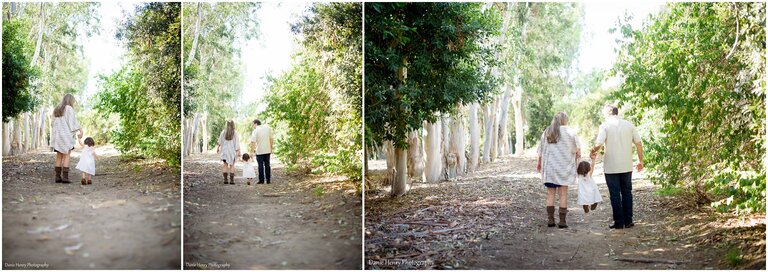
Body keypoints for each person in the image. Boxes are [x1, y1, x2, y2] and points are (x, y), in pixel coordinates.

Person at [591, 105, 643, 229]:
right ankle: (628, 220)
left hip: (611, 166)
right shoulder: (629, 125)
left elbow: (598, 144)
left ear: (609, 113)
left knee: (614, 194)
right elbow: (639, 143)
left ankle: (618, 222)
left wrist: (592, 151)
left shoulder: (605, 126)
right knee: (627, 192)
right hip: (626, 164)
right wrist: (641, 160)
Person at [536, 112, 580, 228]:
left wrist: (539, 163)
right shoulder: (570, 132)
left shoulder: (547, 131)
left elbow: (540, 150)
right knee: (563, 194)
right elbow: (577, 150)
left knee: (550, 193)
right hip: (564, 168)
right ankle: (562, 221)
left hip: (550, 168)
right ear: (565, 120)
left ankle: (550, 220)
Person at [51, 94, 83, 184]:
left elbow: (52, 123)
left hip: (57, 136)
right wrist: (81, 130)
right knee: (66, 155)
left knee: (59, 156)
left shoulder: (56, 109)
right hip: (65, 136)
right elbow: (73, 122)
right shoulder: (69, 108)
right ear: (70, 101)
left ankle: (57, 177)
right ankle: (65, 177)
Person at [250, 119, 273, 184]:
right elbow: (271, 139)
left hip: (259, 151)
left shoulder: (255, 131)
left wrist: (251, 151)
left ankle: (261, 180)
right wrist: (271, 148)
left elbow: (253, 142)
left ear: (256, 124)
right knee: (267, 165)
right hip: (267, 150)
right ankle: (268, 180)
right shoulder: (268, 128)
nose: (252, 126)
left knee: (260, 166)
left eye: (253, 124)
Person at [217, 120, 240, 185]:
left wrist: (218, 148)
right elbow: (237, 143)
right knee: (232, 165)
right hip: (232, 151)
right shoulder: (235, 133)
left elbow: (220, 141)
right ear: (233, 125)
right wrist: (238, 150)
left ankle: (225, 180)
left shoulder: (223, 132)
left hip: (224, 151)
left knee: (225, 165)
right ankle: (232, 180)